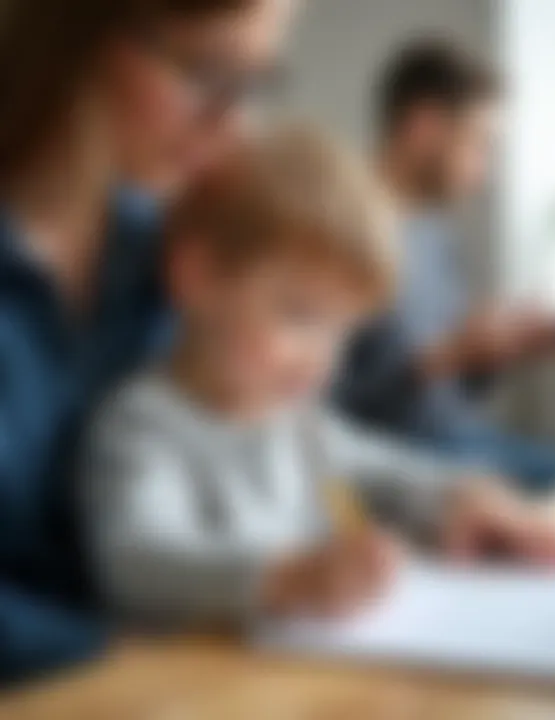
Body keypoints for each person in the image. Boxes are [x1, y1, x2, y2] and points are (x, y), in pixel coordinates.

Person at [82, 127, 555, 627]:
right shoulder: (141, 427)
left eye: (342, 331)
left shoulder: (299, 425)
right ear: (197, 276)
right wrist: (285, 579)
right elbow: (135, 557)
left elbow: (388, 473)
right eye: (300, 314)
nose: (322, 358)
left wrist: (463, 499)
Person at [0, 0, 297, 684]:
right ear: (83, 32)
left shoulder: (166, 255)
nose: (231, 124)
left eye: (255, 83)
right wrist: (124, 657)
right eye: (207, 72)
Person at [336, 40, 555, 493]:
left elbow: (449, 391)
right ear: (425, 127)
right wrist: (443, 357)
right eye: (479, 144)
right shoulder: (337, 231)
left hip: (460, 440)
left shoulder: (433, 230)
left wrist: (488, 355)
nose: (484, 171)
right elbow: (323, 411)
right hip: (397, 459)